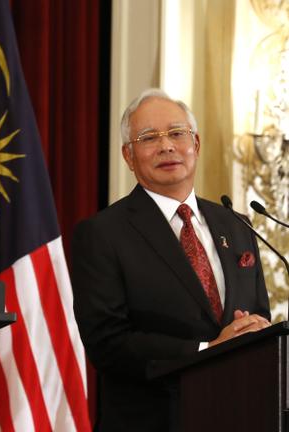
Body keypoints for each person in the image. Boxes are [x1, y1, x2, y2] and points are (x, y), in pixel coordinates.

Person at [71, 89, 271, 431]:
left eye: (177, 133)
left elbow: (258, 313)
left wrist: (255, 330)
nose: (167, 146)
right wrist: (207, 349)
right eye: (149, 137)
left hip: (240, 415)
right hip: (153, 420)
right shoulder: (102, 233)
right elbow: (108, 343)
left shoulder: (235, 224)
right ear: (128, 156)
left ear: (196, 144)